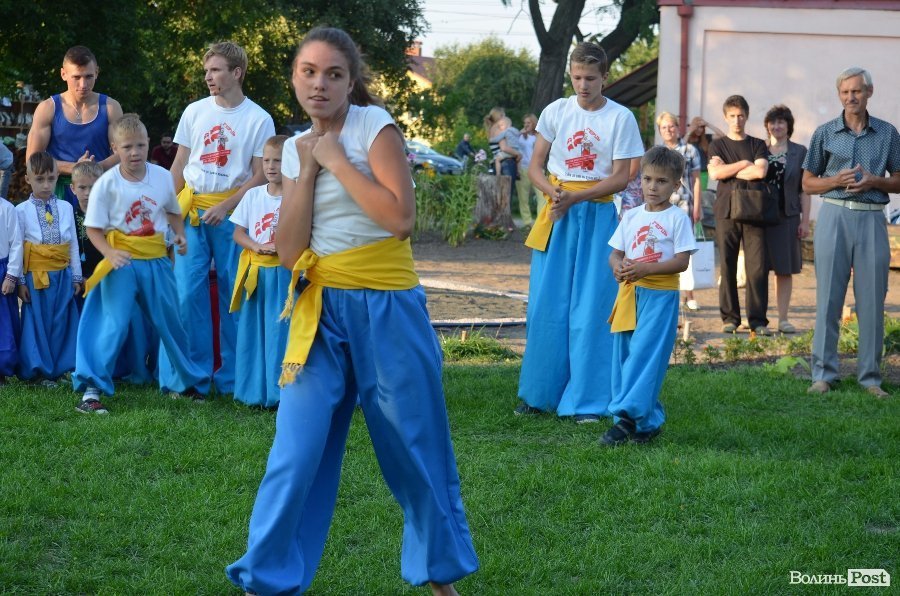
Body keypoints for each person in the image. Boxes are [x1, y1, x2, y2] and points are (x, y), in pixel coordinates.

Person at [226, 27, 478, 595]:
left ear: (350, 82)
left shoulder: (374, 127)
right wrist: (310, 168)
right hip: (318, 311)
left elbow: (400, 219)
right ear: (294, 78)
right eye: (309, 72)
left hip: (387, 308)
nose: (319, 84)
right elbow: (289, 250)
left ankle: (441, 577)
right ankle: (265, 581)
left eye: (333, 74)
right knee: (295, 451)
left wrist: (337, 161)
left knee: (412, 446)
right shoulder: (296, 148)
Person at [515, 42, 644, 423]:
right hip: (557, 214)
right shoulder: (556, 110)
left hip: (598, 214)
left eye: (590, 78)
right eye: (576, 78)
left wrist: (578, 197)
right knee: (547, 304)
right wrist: (553, 192)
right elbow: (535, 167)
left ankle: (587, 400)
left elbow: (622, 177)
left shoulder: (620, 118)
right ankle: (539, 395)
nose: (583, 85)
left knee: (591, 309)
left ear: (605, 77)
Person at [160, 41, 276, 396]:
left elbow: (260, 175)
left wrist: (226, 206)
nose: (208, 77)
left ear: (236, 73)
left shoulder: (259, 118)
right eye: (206, 71)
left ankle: (234, 381)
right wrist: (165, 209)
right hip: (192, 210)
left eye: (215, 70)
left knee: (234, 295)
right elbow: (180, 164)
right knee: (185, 293)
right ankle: (189, 379)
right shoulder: (194, 111)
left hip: (235, 214)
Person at [72, 114, 209, 413]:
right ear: (114, 148)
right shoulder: (107, 183)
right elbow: (93, 228)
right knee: (112, 323)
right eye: (127, 147)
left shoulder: (161, 176)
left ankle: (186, 384)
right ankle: (91, 391)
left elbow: (172, 210)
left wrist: (180, 234)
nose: (135, 152)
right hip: (121, 262)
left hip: (157, 261)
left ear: (148, 144)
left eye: (140, 145)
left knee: (171, 322)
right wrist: (109, 252)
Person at [802, 67, 900, 398]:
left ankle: (870, 378)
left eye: (856, 91)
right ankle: (823, 375)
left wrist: (875, 181)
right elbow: (807, 183)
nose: (850, 97)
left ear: (869, 92)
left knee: (872, 299)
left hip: (872, 218)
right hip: (834, 215)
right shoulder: (825, 133)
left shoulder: (887, 133)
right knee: (828, 297)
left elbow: (899, 179)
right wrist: (835, 180)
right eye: (845, 92)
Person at [604, 146, 696, 445]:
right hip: (629, 294)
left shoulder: (677, 219)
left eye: (661, 181)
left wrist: (646, 268)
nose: (653, 187)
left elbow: (681, 262)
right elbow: (615, 253)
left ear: (676, 185)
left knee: (645, 355)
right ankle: (647, 423)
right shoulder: (631, 216)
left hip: (659, 296)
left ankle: (626, 419)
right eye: (647, 179)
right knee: (624, 355)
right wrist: (618, 267)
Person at [71, 160, 157, 384]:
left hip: (112, 276)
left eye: (93, 187)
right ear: (73, 188)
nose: (88, 193)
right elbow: (70, 249)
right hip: (82, 281)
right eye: (82, 187)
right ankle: (88, 367)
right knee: (90, 326)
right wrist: (79, 276)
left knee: (123, 323)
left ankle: (131, 368)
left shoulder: (113, 214)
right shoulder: (69, 214)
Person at [227, 134, 291, 408]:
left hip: (284, 274)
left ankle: (282, 393)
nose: (271, 166)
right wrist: (256, 246)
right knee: (253, 332)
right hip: (257, 275)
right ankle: (252, 391)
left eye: (278, 161)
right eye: (266, 160)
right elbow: (238, 233)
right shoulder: (253, 195)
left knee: (280, 332)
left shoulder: (296, 197)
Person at [26, 46, 123, 210]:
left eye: (89, 76)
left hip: (99, 191)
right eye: (76, 77)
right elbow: (32, 159)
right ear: (63, 74)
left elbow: (122, 152)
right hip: (58, 193)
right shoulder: (48, 108)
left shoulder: (111, 107)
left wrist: (95, 168)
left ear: (97, 73)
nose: (83, 84)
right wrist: (75, 168)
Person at [16, 152, 82, 386]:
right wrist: (20, 282)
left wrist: (76, 276)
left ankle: (62, 367)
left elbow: (73, 243)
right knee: (37, 322)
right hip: (36, 277)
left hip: (63, 274)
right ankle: (39, 371)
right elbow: (18, 248)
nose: (46, 185)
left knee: (63, 320)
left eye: (51, 179)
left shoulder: (65, 207)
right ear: (28, 179)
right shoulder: (21, 210)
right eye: (40, 179)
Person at [708, 95, 770, 335]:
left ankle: (758, 321)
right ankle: (730, 318)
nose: (737, 120)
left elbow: (760, 172)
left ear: (747, 116)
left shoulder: (758, 144)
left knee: (758, 268)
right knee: (727, 265)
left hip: (754, 210)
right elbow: (715, 174)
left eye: (741, 115)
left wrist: (729, 169)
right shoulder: (717, 145)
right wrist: (745, 163)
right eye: (732, 116)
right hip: (726, 211)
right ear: (725, 117)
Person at [763, 105, 810, 334]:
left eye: (781, 122)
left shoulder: (800, 152)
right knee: (758, 270)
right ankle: (757, 319)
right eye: (773, 122)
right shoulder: (759, 149)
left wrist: (805, 221)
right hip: (760, 217)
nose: (777, 126)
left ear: (788, 126)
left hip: (787, 217)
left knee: (784, 269)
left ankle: (783, 318)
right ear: (767, 126)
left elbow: (805, 190)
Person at [657, 111, 702, 310]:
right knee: (663, 247)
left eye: (671, 126)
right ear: (660, 131)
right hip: (662, 206)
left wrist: (697, 206)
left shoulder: (690, 150)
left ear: (678, 128)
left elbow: (697, 180)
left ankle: (689, 295)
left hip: (684, 204)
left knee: (684, 249)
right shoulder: (657, 152)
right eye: (664, 127)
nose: (668, 130)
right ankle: (669, 292)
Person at [0, 194, 22, 383]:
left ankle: (3, 369)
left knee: (5, 323)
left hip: (2, 272)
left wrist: (11, 275)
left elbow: (16, 244)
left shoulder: (7, 208)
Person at [516, 113, 538, 226]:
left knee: (542, 196)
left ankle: (540, 221)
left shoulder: (538, 136)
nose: (526, 125)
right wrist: (519, 134)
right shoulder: (519, 136)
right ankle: (528, 222)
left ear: (534, 123)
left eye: (528, 123)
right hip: (523, 168)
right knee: (523, 197)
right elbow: (513, 146)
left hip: (536, 169)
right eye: (524, 123)